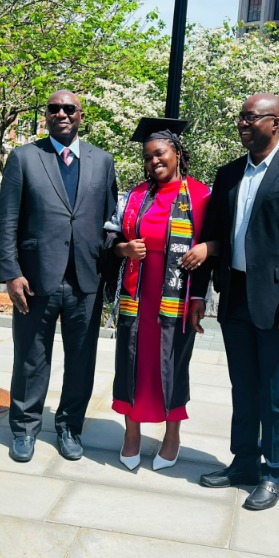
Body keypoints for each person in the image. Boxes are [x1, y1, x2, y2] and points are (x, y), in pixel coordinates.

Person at [190, 93, 279, 511]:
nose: (243, 124)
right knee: (244, 386)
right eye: (241, 118)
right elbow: (214, 235)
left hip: (277, 302)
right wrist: (200, 293)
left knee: (275, 389)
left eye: (252, 118)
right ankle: (244, 463)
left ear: (277, 123)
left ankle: (275, 473)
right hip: (234, 297)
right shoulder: (228, 174)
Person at [0, 89, 118, 462]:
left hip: (86, 278)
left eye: (70, 109)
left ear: (81, 115)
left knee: (82, 359)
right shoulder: (24, 158)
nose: (62, 114)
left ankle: (69, 426)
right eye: (55, 108)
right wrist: (11, 273)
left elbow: (111, 221)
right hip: (34, 281)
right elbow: (7, 222)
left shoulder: (103, 161)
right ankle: (24, 428)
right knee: (31, 358)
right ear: (47, 115)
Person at [104, 117, 212, 471]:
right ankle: (131, 434)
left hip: (176, 300)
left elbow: (214, 248)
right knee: (131, 363)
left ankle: (171, 436)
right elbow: (110, 237)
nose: (154, 162)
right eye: (148, 157)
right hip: (137, 297)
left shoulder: (200, 195)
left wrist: (199, 295)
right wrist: (123, 249)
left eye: (160, 153)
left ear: (177, 153)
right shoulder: (135, 195)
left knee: (173, 365)